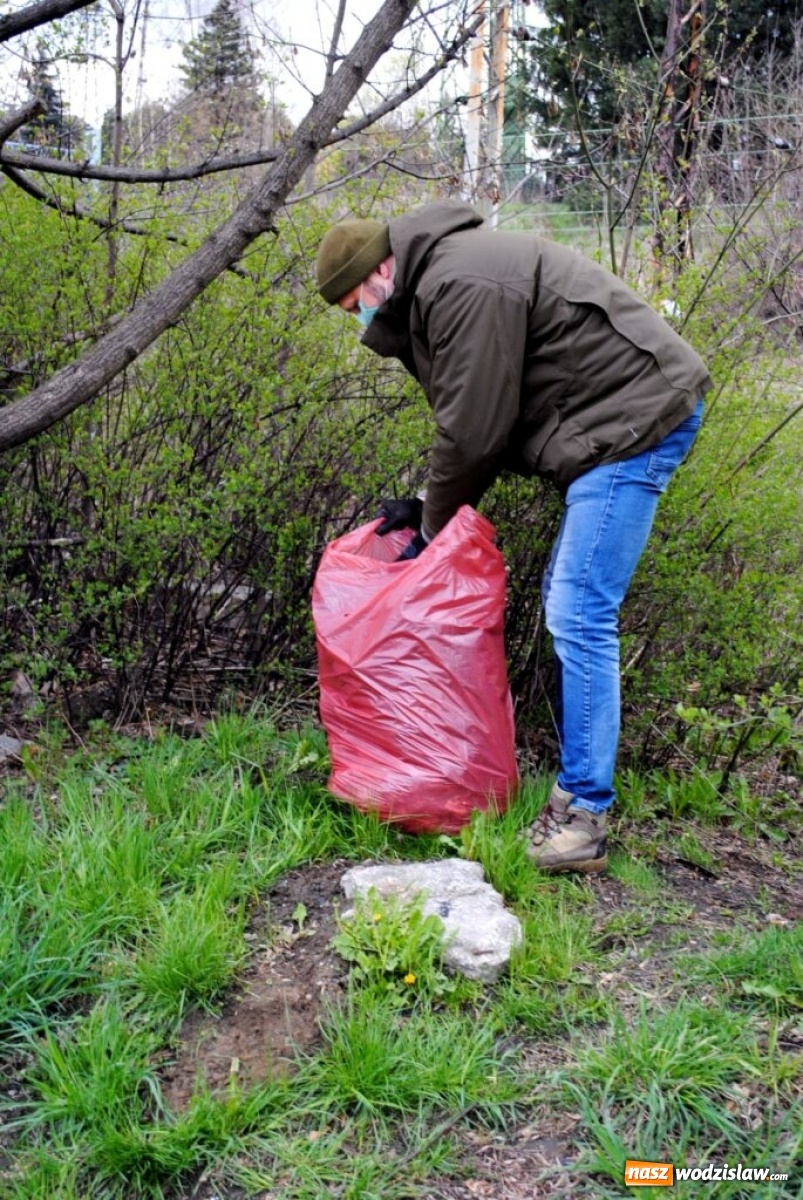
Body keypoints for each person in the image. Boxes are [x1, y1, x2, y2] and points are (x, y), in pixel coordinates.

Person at [315, 200, 711, 874]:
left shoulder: (459, 282)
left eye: (357, 303)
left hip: (632, 425)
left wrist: (435, 532)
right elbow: (472, 423)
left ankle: (583, 817)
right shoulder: (442, 279)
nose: (361, 319)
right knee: (571, 604)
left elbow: (474, 430)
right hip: (607, 427)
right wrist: (422, 506)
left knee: (579, 612)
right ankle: (574, 801)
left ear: (382, 271)